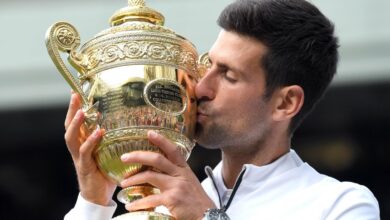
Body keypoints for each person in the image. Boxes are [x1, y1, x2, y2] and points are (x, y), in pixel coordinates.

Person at [64, 0, 380, 219]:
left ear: (285, 103)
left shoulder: (340, 205)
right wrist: (93, 201)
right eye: (209, 65)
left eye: (228, 76)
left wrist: (207, 217)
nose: (201, 88)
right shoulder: (161, 207)